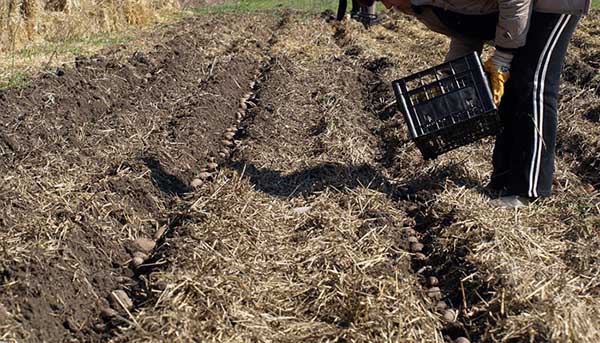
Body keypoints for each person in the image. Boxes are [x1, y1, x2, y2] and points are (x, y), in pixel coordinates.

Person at [372, 0, 591, 208]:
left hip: (552, 4)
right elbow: (466, 24)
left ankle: (527, 189)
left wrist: (503, 57)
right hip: (523, 9)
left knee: (532, 81)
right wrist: (454, 72)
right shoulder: (419, 6)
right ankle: (502, 182)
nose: (388, 6)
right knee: (511, 86)